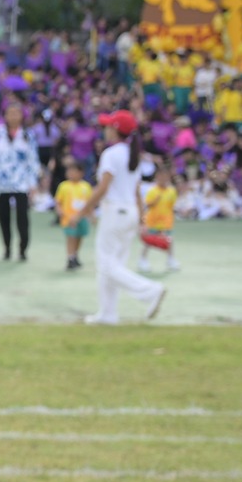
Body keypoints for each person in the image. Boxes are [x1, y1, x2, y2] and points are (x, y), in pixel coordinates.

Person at [78, 110, 163, 324]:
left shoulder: (111, 154)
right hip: (130, 212)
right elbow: (136, 191)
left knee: (106, 264)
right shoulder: (133, 155)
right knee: (113, 265)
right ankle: (108, 314)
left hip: (115, 212)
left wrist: (84, 210)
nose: (105, 130)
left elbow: (103, 187)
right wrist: (142, 218)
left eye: (108, 126)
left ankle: (150, 290)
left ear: (115, 130)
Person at [0, 101, 42, 262]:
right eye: (10, 113)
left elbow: (32, 160)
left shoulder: (27, 135)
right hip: (0, 181)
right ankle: (7, 248)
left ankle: (23, 249)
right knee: (3, 217)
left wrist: (33, 183)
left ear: (22, 116)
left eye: (17, 113)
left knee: (22, 217)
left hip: (21, 182)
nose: (14, 116)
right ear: (5, 116)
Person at [139, 162, 180, 272]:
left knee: (169, 240)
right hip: (152, 221)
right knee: (149, 241)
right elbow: (147, 205)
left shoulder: (171, 191)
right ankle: (143, 260)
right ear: (157, 177)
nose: (163, 179)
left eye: (165, 177)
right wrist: (154, 201)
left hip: (166, 221)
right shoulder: (152, 191)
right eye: (161, 177)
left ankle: (170, 260)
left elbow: (172, 205)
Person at [54, 156, 91, 272]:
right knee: (71, 237)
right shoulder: (64, 186)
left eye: (74, 171)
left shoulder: (86, 186)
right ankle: (70, 258)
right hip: (68, 218)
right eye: (69, 171)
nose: (70, 174)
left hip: (82, 218)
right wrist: (59, 211)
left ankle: (75, 255)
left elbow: (89, 202)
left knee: (79, 236)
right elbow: (58, 201)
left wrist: (92, 215)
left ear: (81, 173)